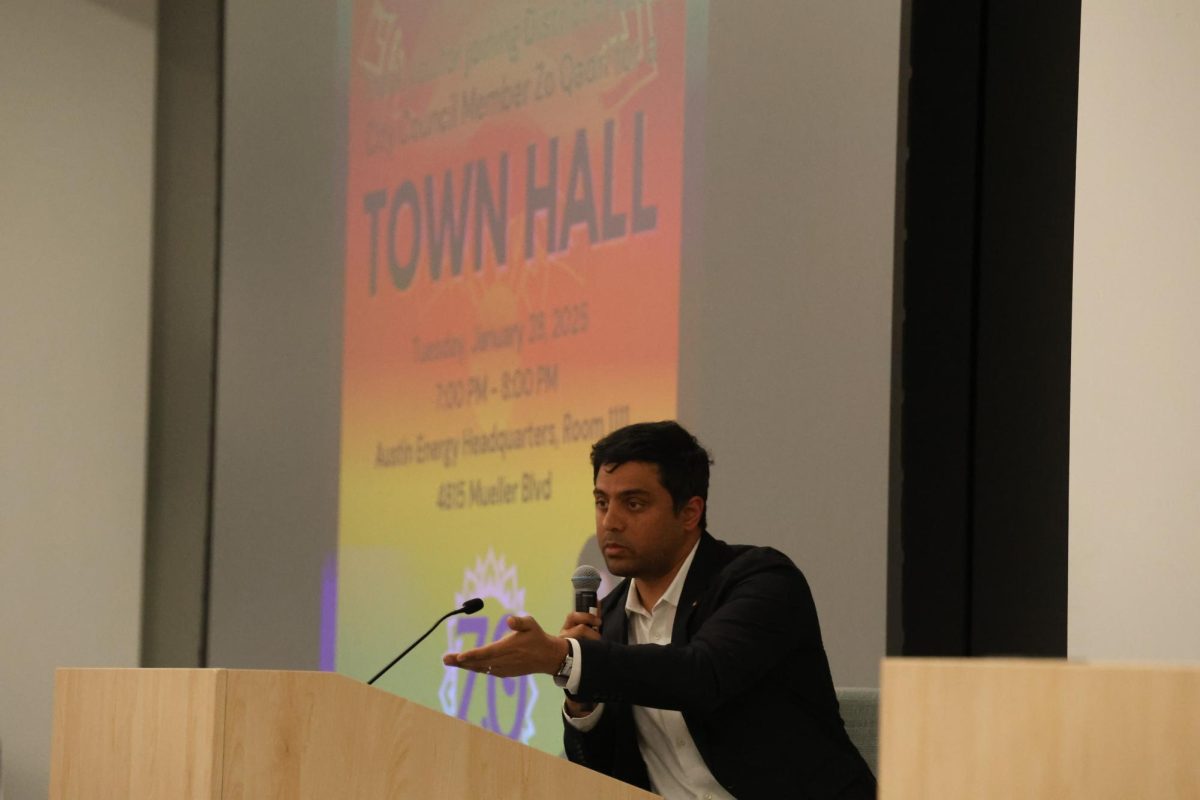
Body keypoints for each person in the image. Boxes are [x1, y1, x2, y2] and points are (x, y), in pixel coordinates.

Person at [444, 420, 876, 799]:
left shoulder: (761, 581)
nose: (610, 521)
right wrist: (581, 696)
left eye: (633, 504)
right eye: (601, 502)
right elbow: (603, 778)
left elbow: (701, 675)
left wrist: (566, 658)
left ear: (690, 513)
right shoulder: (608, 621)